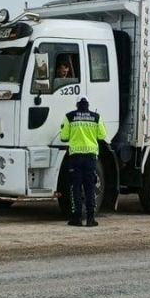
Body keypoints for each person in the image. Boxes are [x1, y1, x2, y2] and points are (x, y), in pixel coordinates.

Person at [59, 97, 106, 227]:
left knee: (76, 187)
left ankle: (77, 218)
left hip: (75, 157)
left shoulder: (70, 117)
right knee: (90, 187)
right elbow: (102, 135)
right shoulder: (96, 117)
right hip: (91, 157)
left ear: (77, 105)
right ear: (88, 105)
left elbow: (63, 137)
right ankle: (91, 219)